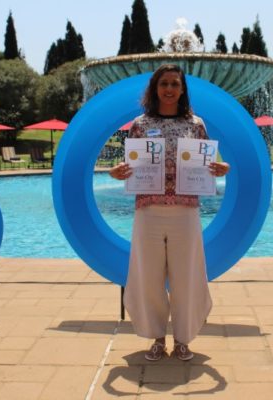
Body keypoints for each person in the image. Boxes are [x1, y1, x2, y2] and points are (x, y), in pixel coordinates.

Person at [109, 64, 230, 361]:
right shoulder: (140, 124)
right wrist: (117, 171)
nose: (169, 89)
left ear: (182, 89)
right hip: (148, 210)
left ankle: (183, 339)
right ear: (155, 88)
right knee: (148, 277)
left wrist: (221, 167)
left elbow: (209, 162)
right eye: (164, 83)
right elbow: (129, 165)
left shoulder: (195, 124)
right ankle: (157, 338)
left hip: (185, 211)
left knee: (187, 276)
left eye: (175, 83)